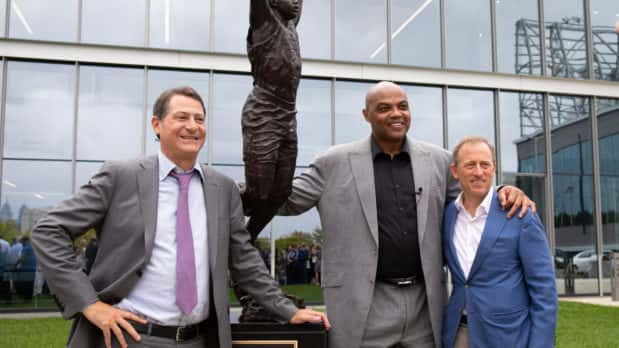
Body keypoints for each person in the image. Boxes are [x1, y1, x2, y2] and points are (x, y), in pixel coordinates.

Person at [31, 86, 329, 348]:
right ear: (157, 124)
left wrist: (287, 310)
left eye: (199, 119)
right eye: (182, 117)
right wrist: (89, 304)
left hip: (198, 340)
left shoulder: (223, 188)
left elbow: (243, 260)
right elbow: (49, 230)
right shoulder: (120, 177)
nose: (193, 126)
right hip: (130, 338)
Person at [277, 81, 535, 348]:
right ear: (366, 115)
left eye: (403, 106)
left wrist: (505, 190)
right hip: (364, 304)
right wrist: (240, 193)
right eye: (384, 108)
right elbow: (287, 202)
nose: (396, 114)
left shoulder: (439, 161)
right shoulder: (332, 163)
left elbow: (475, 194)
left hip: (424, 304)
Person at [442, 137, 557, 348]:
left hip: (509, 336)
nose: (479, 172)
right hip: (459, 333)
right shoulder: (448, 215)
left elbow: (544, 290)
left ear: (493, 168)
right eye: (470, 165)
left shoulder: (520, 214)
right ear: (455, 171)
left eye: (485, 164)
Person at [242, 0, 303, 238]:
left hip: (288, 116)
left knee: (281, 192)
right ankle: (214, 197)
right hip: (264, 113)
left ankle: (246, 239)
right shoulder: (265, 21)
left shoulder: (290, 26)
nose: (297, 3)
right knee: (258, 193)